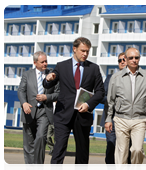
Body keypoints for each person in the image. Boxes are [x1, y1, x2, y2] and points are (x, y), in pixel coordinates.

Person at [43, 37, 105, 170]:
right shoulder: (61, 66)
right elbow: (48, 83)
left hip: (83, 115)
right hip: (63, 114)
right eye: (83, 51)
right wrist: (48, 79)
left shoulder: (93, 68)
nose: (85, 54)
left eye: (87, 51)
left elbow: (100, 92)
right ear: (74, 49)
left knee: (82, 153)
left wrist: (88, 104)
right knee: (58, 150)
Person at [105, 47, 146, 170]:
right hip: (121, 119)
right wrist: (108, 119)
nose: (134, 60)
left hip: (140, 119)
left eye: (136, 58)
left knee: (137, 150)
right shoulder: (116, 77)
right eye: (131, 58)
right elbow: (110, 101)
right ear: (126, 59)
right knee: (121, 153)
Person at [17, 51, 59, 170]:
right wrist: (24, 103)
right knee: (28, 143)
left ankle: (38, 168)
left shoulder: (53, 75)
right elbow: (21, 91)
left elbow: (58, 94)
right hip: (29, 112)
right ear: (35, 63)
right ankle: (30, 168)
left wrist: (47, 97)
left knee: (40, 138)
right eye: (42, 62)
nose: (45, 64)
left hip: (44, 112)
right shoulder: (27, 75)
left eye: (46, 61)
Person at [100, 52, 131, 170]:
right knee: (111, 147)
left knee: (127, 148)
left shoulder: (134, 79)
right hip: (111, 119)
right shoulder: (110, 78)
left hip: (128, 119)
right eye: (120, 60)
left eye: (124, 59)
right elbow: (102, 97)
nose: (122, 62)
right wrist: (114, 99)